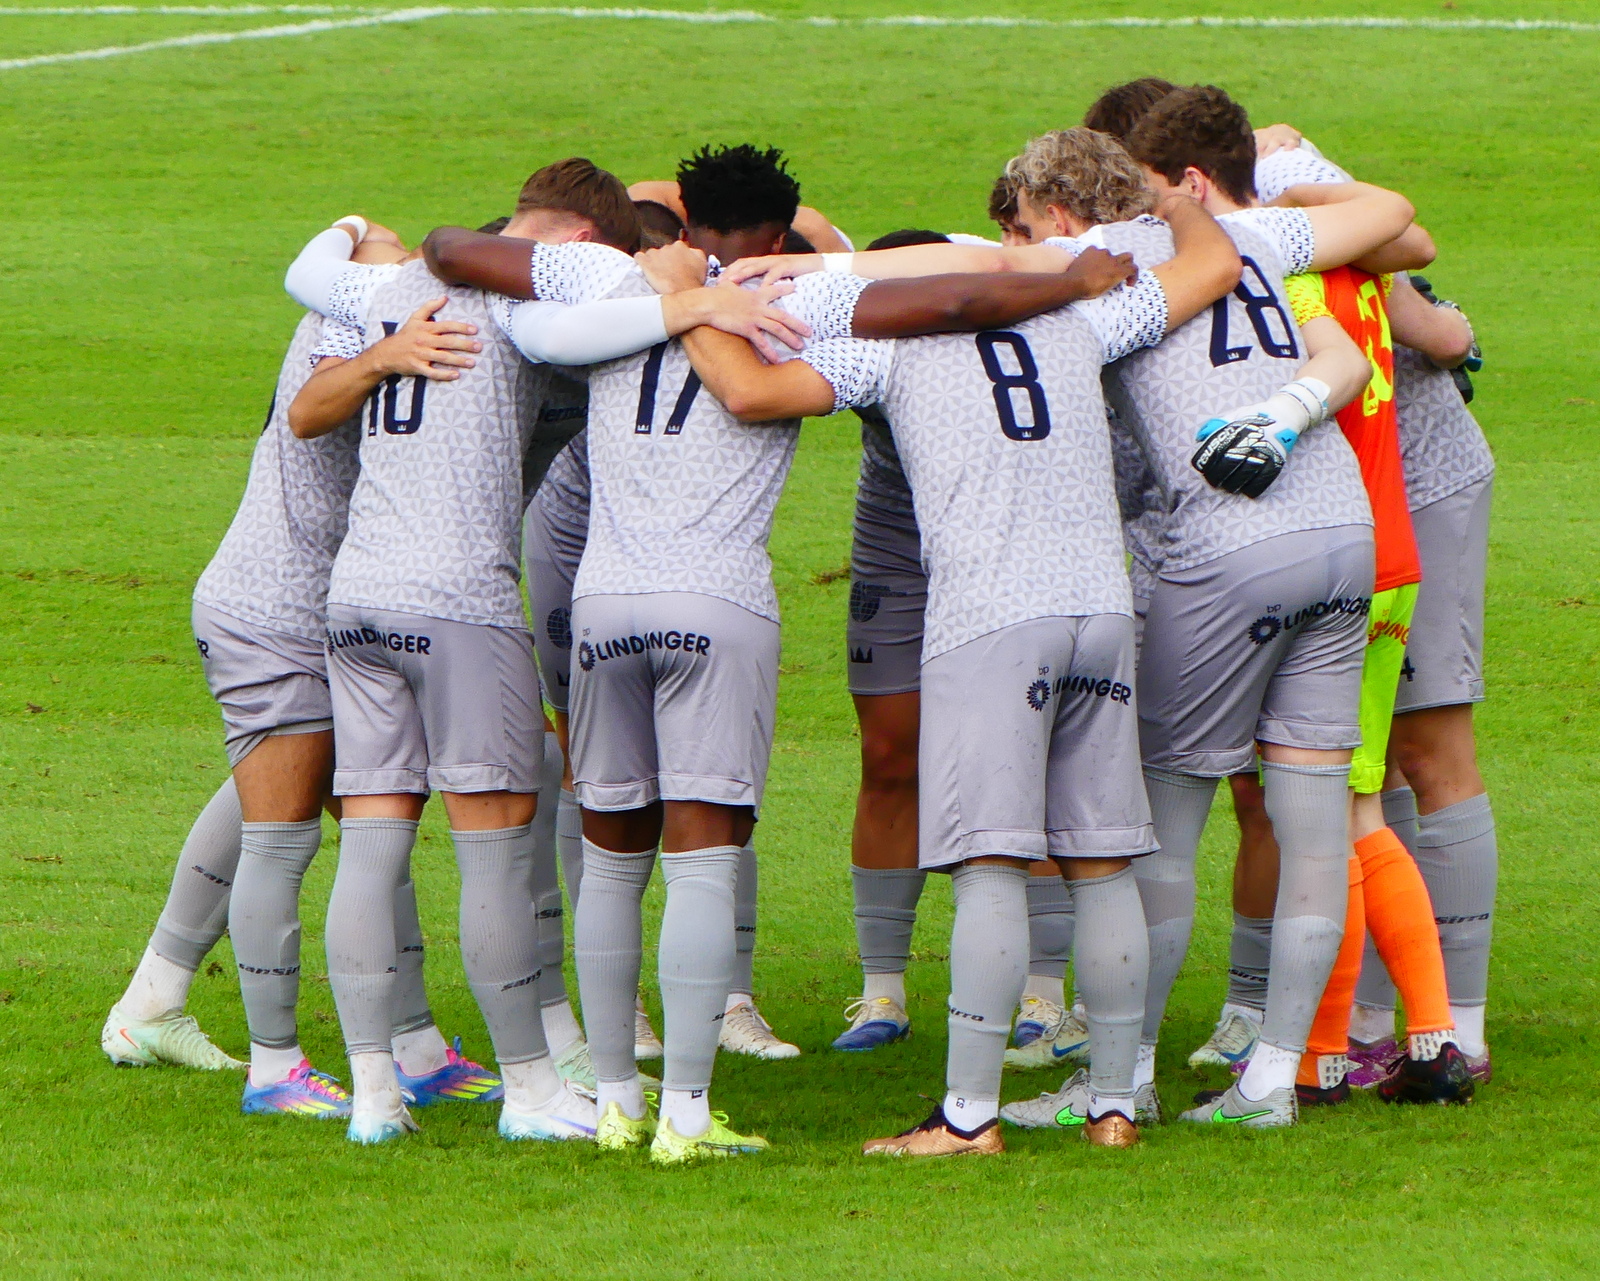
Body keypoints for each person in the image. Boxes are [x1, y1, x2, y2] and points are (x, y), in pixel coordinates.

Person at [712, 172, 1245, 1152]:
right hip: (1100, 609)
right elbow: (1214, 264)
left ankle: (966, 1116)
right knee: (1100, 866)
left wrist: (692, 306)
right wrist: (1171, 201)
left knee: (989, 863)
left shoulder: (884, 345)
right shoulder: (1078, 319)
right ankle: (1113, 1104)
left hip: (990, 622)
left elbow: (749, 392)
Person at [990, 104, 1419, 1129]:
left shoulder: (1087, 267)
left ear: (1061, 214)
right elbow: (1364, 290)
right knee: (1313, 823)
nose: (1022, 243)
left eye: (1027, 224)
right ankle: (1270, 1081)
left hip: (1226, 547)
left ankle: (1120, 1080)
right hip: (1342, 534)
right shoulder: (1248, 234)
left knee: (1161, 829)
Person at [421, 144, 823, 1163]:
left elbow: (454, 246)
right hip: (718, 603)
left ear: (683, 217)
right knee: (701, 861)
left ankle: (612, 1101)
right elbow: (953, 279)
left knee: (609, 862)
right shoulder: (804, 294)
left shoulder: (605, 283)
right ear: (779, 233)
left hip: (602, 606)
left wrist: (672, 289)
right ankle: (685, 1115)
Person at [287, 159, 686, 1144]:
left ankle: (374, 1096)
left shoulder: (390, 288)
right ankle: (532, 1089)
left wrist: (381, 353)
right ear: (581, 243)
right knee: (496, 854)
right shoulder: (532, 297)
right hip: (460, 601)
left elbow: (306, 404)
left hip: (358, 596)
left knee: (370, 846)